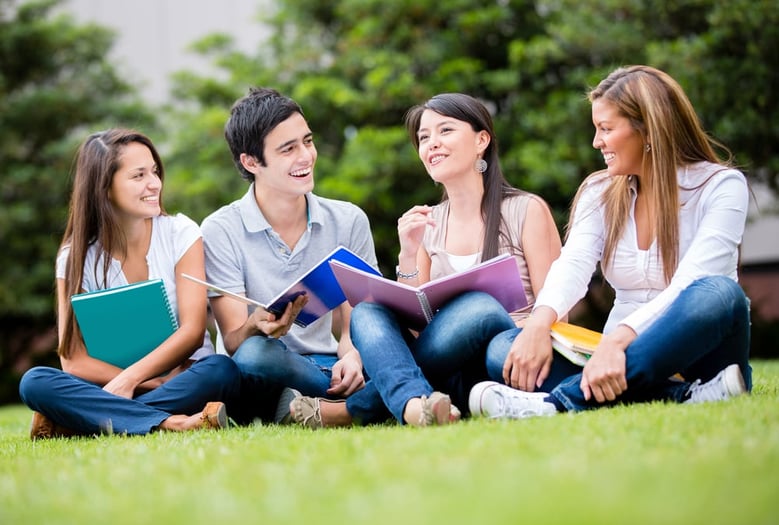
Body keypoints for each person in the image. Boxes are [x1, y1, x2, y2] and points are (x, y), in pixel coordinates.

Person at [470, 65, 752, 420]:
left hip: (696, 353)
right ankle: (685, 396)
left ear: (648, 129)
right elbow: (573, 265)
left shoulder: (722, 186)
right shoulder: (600, 190)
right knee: (506, 348)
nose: (596, 142)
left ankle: (555, 404)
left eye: (605, 129)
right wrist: (539, 324)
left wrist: (618, 341)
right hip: (610, 356)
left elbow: (689, 283)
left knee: (719, 293)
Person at [294, 92, 562, 427]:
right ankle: (414, 405)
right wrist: (407, 253)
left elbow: (557, 306)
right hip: (448, 373)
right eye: (424, 137)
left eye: (445, 131)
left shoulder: (526, 209)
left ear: (481, 140)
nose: (432, 143)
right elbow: (415, 323)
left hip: (505, 355)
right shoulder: (428, 223)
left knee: (479, 307)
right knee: (366, 311)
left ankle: (355, 410)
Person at [19, 129, 241, 438]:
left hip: (185, 375)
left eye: (154, 171)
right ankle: (171, 422)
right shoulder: (75, 258)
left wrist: (131, 382)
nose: (154, 184)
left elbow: (192, 333)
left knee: (221, 370)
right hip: (121, 384)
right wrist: (139, 381)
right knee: (35, 382)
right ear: (104, 188)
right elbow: (71, 358)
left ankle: (77, 421)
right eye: (138, 176)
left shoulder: (181, 233)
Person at [201, 87, 383, 426]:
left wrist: (354, 357)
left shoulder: (347, 220)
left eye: (308, 141)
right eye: (288, 149)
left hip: (327, 364)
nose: (306, 156)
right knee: (255, 354)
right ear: (251, 161)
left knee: (389, 352)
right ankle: (356, 403)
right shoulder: (220, 229)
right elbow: (234, 341)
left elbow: (359, 320)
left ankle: (315, 406)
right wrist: (255, 326)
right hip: (261, 369)